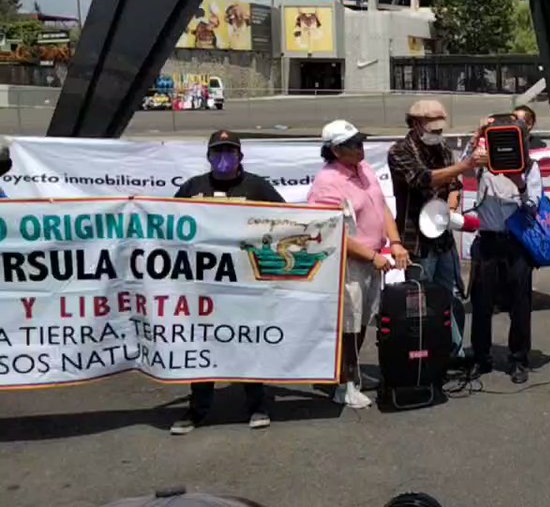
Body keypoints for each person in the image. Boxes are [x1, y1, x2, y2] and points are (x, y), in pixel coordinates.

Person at [170, 130, 286, 435]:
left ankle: (257, 405)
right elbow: (167, 223)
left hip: (246, 285)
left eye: (230, 152)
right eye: (218, 152)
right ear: (208, 157)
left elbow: (287, 219)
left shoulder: (257, 186)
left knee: (248, 343)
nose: (224, 158)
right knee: (202, 345)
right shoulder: (193, 187)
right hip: (203, 286)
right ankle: (197, 410)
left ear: (240, 156)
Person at [309, 120, 410, 409]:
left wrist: (396, 242)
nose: (360, 147)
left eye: (360, 141)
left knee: (362, 319)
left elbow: (382, 208)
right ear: (336, 150)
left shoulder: (364, 170)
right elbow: (330, 232)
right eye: (353, 144)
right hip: (348, 263)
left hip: (372, 259)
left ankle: (350, 374)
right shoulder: (327, 182)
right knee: (347, 326)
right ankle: (342, 382)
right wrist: (372, 256)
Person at [469, 119, 543, 384]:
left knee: (520, 304)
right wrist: (476, 136)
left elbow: (533, 207)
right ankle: (481, 358)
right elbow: (463, 170)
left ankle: (519, 360)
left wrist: (519, 183)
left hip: (516, 241)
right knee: (481, 304)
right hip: (488, 240)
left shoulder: (531, 167)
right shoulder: (482, 164)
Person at [388, 100, 484, 294]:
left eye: (440, 130)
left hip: (443, 238)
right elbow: (422, 179)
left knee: (451, 295)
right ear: (416, 124)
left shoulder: (443, 149)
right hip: (416, 239)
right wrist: (465, 165)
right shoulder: (399, 151)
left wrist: (450, 208)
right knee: (421, 299)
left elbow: (455, 185)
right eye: (433, 130)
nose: (438, 134)